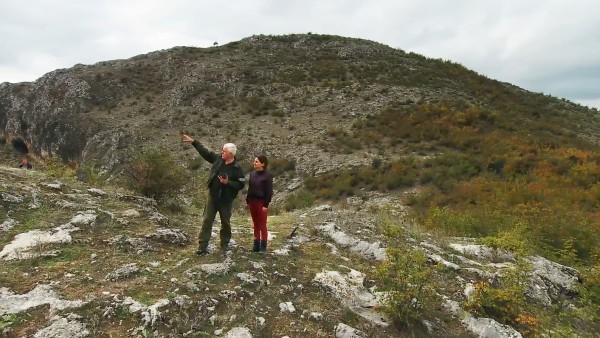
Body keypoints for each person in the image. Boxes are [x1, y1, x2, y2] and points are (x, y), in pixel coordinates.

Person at [181, 134, 245, 256]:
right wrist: (194, 142)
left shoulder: (237, 168)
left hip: (225, 200)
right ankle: (202, 245)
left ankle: (225, 244)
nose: (221, 152)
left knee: (225, 222)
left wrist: (228, 182)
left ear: (231, 154)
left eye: (224, 151)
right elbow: (205, 153)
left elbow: (241, 184)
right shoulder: (217, 159)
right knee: (207, 220)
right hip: (212, 196)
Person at [246, 155, 273, 253]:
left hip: (261, 202)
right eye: (254, 161)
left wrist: (266, 205)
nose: (254, 163)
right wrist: (247, 200)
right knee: (255, 223)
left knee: (262, 224)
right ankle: (256, 244)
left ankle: (263, 246)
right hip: (252, 201)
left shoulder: (267, 175)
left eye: (256, 161)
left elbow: (269, 191)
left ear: (263, 164)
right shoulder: (252, 174)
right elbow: (250, 188)